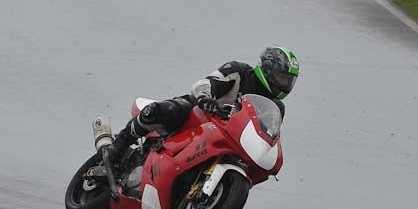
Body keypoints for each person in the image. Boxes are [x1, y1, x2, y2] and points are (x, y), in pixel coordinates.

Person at [107, 46, 300, 162]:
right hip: (198, 115)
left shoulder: (276, 108)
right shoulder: (238, 71)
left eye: (288, 80)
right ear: (267, 69)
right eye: (281, 77)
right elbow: (205, 83)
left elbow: (265, 135)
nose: (284, 84)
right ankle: (118, 146)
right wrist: (205, 98)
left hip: (228, 139)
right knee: (166, 110)